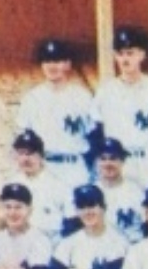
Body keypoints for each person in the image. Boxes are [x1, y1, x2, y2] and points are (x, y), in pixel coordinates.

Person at [94, 25, 148, 187]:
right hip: (118, 164)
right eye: (120, 54)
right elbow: (97, 132)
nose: (125, 59)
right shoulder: (105, 92)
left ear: (142, 55)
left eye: (130, 53)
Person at [17, 35, 98, 176]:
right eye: (47, 61)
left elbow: (94, 136)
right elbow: (24, 139)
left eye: (57, 61)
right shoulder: (32, 98)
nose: (52, 66)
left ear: (68, 64)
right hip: (43, 167)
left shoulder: (83, 97)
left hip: (74, 167)